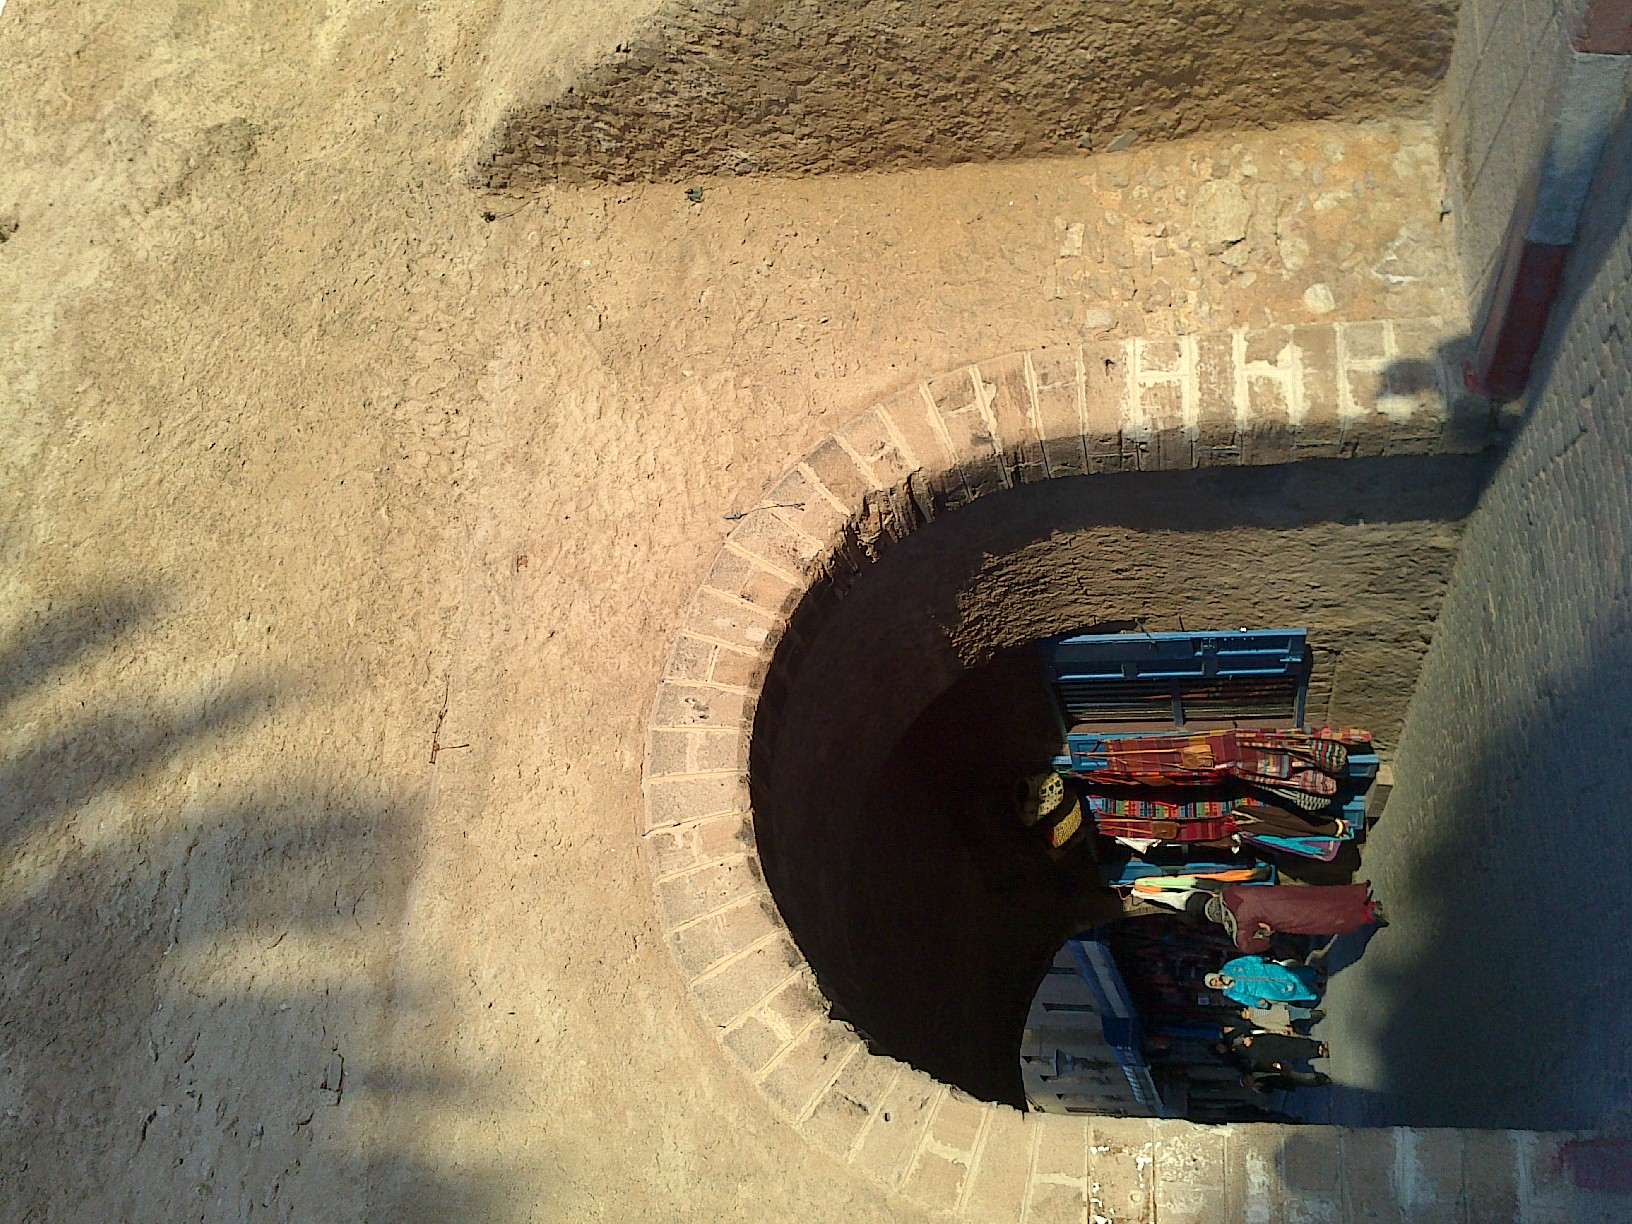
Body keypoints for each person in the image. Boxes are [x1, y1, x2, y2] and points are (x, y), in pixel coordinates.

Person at [1206, 882, 1388, 954]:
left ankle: (1367, 914)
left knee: (1325, 917)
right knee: (1324, 896)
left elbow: (1249, 945)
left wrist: (1266, 934)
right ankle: (1362, 899)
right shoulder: (1232, 891)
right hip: (1284, 894)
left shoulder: (1238, 926)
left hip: (1286, 917)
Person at [1204, 955, 1319, 1009]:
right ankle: (1311, 992)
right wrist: (1258, 1002)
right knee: (1288, 991)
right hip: (1264, 989)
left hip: (1264, 972)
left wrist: (1259, 960)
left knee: (1290, 974)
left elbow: (1245, 960)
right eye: (1215, 984)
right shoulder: (1230, 992)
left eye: (1215, 980)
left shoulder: (1229, 968)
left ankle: (1315, 975)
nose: (1218, 982)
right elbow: (1244, 999)